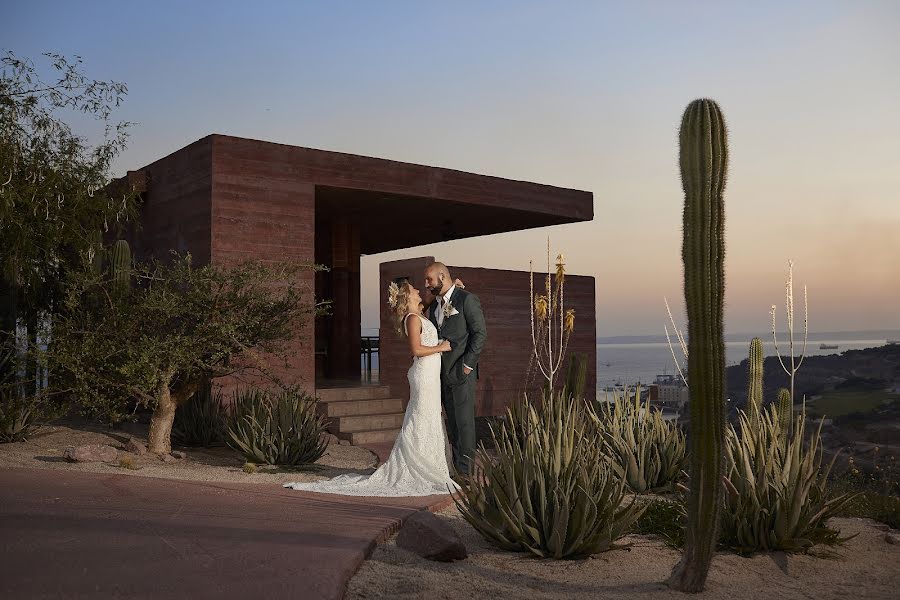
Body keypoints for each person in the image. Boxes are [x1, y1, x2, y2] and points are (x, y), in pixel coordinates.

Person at [283, 280, 459, 496]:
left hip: (432, 376)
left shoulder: (419, 312)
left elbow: (431, 299)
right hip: (424, 375)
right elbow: (416, 350)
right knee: (421, 417)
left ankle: (429, 465)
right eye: (414, 289)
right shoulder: (413, 319)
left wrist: (454, 288)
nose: (418, 290)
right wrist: (441, 346)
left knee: (430, 416)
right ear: (408, 297)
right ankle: (419, 468)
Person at [424, 262, 487, 477]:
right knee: (452, 424)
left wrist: (468, 366)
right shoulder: (434, 305)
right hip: (440, 374)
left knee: (464, 424)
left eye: (429, 279)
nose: (426, 284)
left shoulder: (467, 299)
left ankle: (466, 475)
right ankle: (456, 470)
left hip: (462, 373)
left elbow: (480, 334)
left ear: (442, 276)